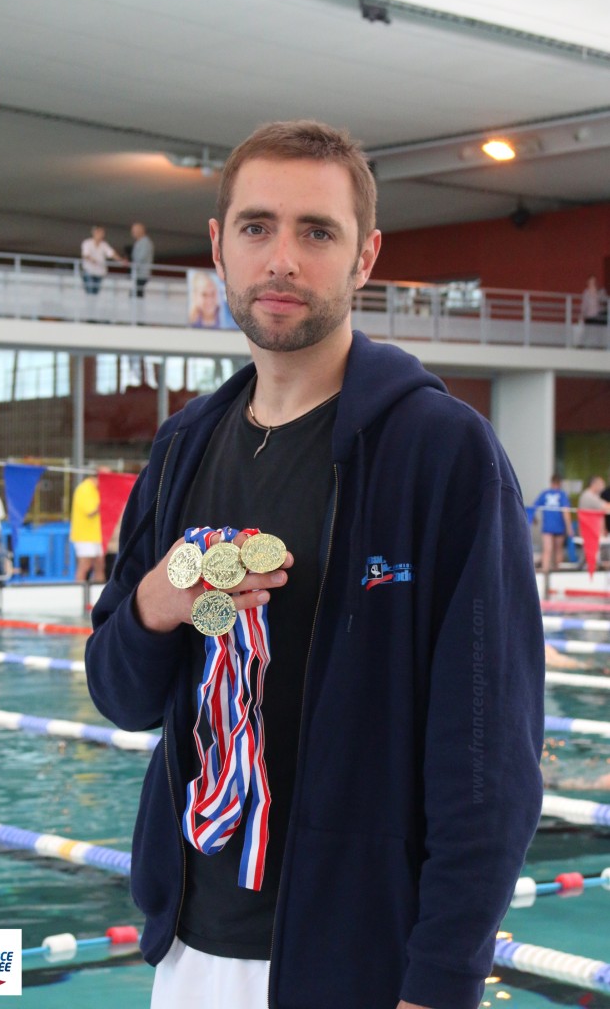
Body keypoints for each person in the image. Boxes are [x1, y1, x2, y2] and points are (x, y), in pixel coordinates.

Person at [85, 120, 544, 1009]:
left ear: (365, 256)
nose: (281, 260)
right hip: (187, 944)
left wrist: (440, 980)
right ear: (219, 247)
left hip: (361, 962)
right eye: (256, 227)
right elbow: (121, 696)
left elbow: (488, 759)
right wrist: (152, 603)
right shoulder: (182, 449)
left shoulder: (442, 454)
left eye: (316, 232)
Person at [69, 467, 106, 582]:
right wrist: (107, 499)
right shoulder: (85, 489)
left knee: (100, 565)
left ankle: (100, 595)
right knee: (85, 565)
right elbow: (91, 511)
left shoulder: (97, 490)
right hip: (84, 535)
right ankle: (79, 593)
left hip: (97, 535)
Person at [532, 474, 573, 572]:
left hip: (547, 527)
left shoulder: (544, 494)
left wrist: (534, 519)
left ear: (551, 482)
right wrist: (569, 528)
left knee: (547, 550)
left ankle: (545, 572)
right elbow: (566, 512)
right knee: (558, 550)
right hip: (559, 527)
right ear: (560, 483)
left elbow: (533, 507)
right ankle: (557, 572)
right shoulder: (562, 494)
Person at [80, 226, 125, 295]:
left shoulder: (104, 245)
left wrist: (120, 260)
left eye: (103, 233)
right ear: (95, 233)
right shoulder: (87, 243)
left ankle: (93, 305)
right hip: (89, 271)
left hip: (99, 272)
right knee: (90, 291)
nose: (102, 235)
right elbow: (85, 254)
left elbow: (111, 253)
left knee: (95, 292)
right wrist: (92, 259)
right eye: (100, 233)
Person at [130, 222, 155, 300]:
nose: (132, 233)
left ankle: (138, 311)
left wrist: (133, 265)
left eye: (134, 231)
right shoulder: (140, 242)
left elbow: (141, 257)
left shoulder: (146, 243)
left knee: (137, 294)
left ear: (140, 231)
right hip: (138, 274)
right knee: (135, 294)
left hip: (142, 274)